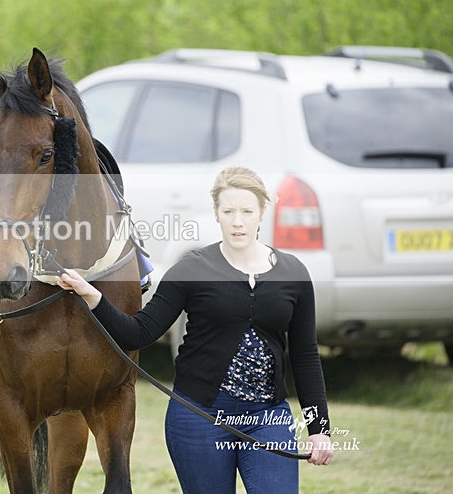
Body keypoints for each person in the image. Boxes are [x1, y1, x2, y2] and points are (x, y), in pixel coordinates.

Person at [58, 166, 333, 493]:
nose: (238, 220)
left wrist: (319, 427)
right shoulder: (191, 269)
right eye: (228, 211)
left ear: (262, 212)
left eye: (247, 211)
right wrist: (93, 296)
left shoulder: (293, 273)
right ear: (216, 214)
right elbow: (139, 333)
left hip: (267, 418)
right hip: (198, 419)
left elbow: (305, 356)